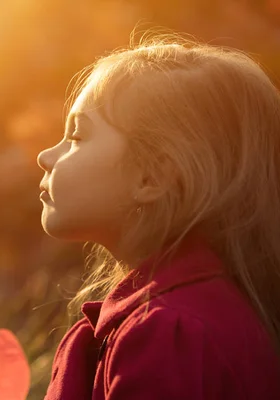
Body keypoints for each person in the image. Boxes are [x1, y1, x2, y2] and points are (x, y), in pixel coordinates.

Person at [37, 33, 280, 399]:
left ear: (153, 176)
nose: (45, 156)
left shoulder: (164, 335)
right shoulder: (222, 308)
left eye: (76, 136)